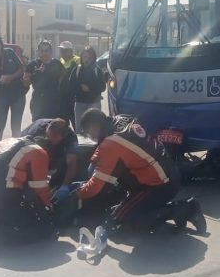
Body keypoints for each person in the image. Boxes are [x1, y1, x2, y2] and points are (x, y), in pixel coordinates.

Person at [74, 110, 205, 256]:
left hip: (157, 184)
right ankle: (156, 209)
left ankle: (186, 209)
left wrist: (77, 193)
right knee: (124, 206)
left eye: (89, 133)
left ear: (95, 126)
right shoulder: (123, 119)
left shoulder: (111, 143)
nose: (90, 137)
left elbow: (96, 186)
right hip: (167, 171)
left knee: (118, 224)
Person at [0, 136, 57, 257]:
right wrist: (49, 208)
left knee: (5, 216)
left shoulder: (8, 142)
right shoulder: (39, 152)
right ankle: (2, 236)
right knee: (38, 230)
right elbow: (40, 189)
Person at [0, 34, 26, 142]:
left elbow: (22, 69)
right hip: (2, 95)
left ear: (1, 46)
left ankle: (16, 152)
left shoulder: (10, 53)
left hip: (18, 94)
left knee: (15, 127)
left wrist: (11, 77)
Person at [21, 118, 79, 196]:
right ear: (47, 127)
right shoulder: (36, 131)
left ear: (63, 136)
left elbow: (72, 162)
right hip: (30, 151)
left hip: (53, 155)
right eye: (50, 136)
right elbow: (24, 158)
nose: (51, 140)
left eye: (54, 139)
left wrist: (65, 186)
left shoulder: (70, 136)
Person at [68, 46, 106, 128]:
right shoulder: (76, 70)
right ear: (81, 57)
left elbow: (103, 87)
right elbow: (71, 85)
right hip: (79, 103)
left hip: (94, 103)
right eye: (85, 57)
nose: (87, 59)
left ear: (93, 58)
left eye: (89, 57)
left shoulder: (97, 70)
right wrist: (80, 86)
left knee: (94, 128)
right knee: (80, 128)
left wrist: (90, 89)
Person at [25, 40, 64, 121]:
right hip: (38, 102)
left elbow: (62, 80)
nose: (44, 53)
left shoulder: (57, 64)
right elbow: (26, 82)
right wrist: (36, 73)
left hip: (54, 102)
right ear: (38, 52)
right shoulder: (32, 65)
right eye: (41, 50)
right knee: (38, 128)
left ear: (51, 51)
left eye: (46, 50)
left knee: (52, 129)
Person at [58, 41, 81, 124]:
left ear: (71, 51)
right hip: (62, 98)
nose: (62, 53)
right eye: (61, 50)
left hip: (73, 98)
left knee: (76, 123)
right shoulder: (61, 60)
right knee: (63, 124)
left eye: (65, 51)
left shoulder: (77, 60)